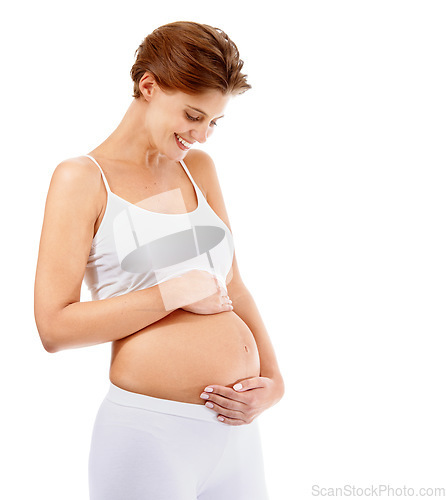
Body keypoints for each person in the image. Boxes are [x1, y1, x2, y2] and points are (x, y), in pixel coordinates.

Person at [34, 20, 284, 500]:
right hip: (150, 435)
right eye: (193, 115)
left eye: (214, 122)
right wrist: (170, 294)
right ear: (148, 85)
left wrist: (273, 379)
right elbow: (54, 327)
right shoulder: (81, 179)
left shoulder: (198, 169)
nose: (203, 135)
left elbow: (233, 283)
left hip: (236, 436)